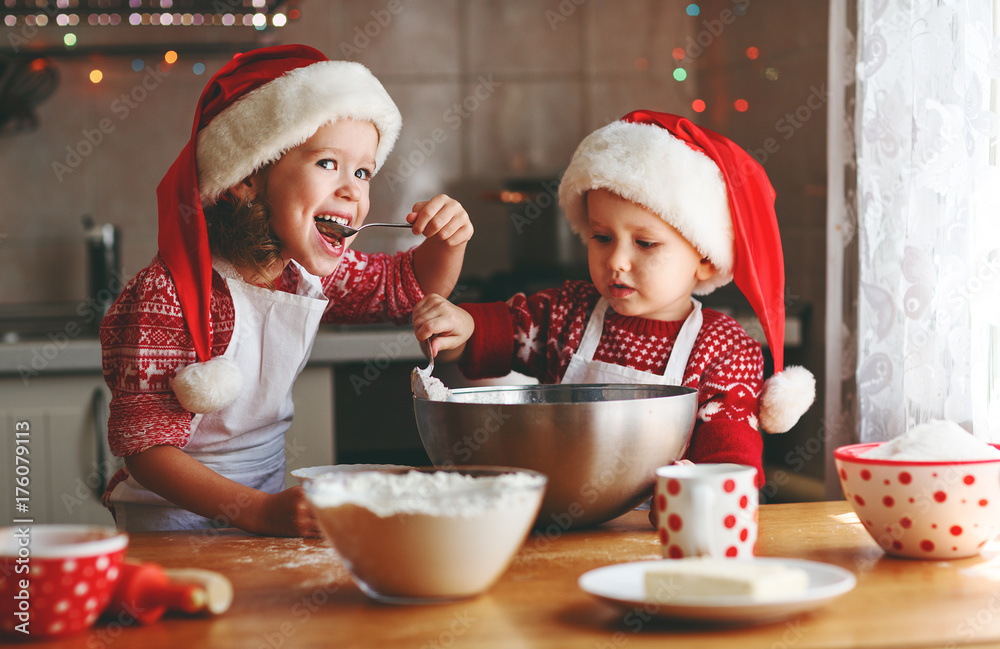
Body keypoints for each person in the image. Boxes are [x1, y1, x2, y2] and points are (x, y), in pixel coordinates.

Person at [100, 45, 473, 536]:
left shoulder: (305, 272)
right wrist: (255, 510)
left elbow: (406, 287)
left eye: (363, 171)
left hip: (261, 516)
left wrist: (450, 240)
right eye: (327, 163)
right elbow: (146, 451)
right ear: (248, 178)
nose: (353, 191)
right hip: (170, 527)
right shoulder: (166, 294)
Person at [412, 110, 815, 490]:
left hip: (658, 537)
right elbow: (499, 334)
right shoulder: (568, 313)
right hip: (560, 523)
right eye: (601, 238)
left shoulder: (723, 350)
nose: (617, 261)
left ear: (706, 260)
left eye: (645, 243)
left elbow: (731, 466)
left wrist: (698, 492)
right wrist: (460, 329)